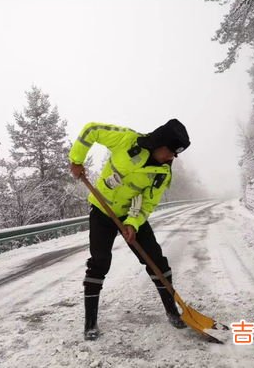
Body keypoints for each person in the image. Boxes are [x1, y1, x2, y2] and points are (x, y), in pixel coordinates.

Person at [68, 119, 190, 341]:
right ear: (159, 142)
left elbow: (148, 204)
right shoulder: (126, 140)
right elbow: (92, 130)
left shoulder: (163, 173)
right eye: (170, 151)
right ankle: (90, 323)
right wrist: (76, 160)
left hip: (130, 215)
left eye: (175, 154)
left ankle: (172, 311)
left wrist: (133, 223)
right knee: (100, 262)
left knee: (156, 260)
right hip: (102, 211)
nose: (171, 157)